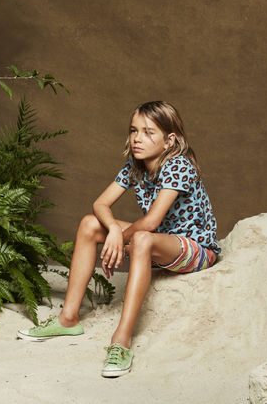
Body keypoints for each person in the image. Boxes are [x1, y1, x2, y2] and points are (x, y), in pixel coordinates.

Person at [17, 101, 220, 377]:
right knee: (90, 224)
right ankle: (68, 319)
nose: (137, 138)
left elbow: (151, 222)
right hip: (159, 239)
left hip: (195, 247)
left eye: (148, 132)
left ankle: (121, 341)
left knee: (142, 239)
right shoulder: (135, 166)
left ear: (169, 140)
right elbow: (100, 204)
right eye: (134, 130)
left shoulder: (179, 165)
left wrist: (120, 241)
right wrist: (113, 230)